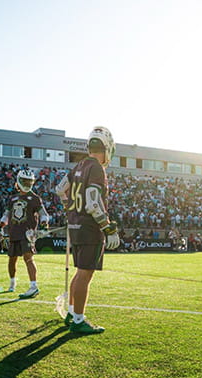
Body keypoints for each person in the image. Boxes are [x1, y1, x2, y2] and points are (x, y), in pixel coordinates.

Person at [56, 126, 119, 334]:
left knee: (80, 273)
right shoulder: (97, 168)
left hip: (75, 225)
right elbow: (93, 202)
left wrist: (69, 207)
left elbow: (60, 189)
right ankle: (78, 320)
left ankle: (73, 313)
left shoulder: (78, 166)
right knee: (85, 275)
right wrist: (107, 228)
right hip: (89, 228)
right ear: (107, 147)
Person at [0, 169, 50, 298]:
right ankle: (12, 283)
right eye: (25, 181)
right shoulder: (12, 198)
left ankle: (33, 286)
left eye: (29, 181)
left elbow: (44, 214)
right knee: (12, 259)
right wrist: (1, 223)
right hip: (14, 232)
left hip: (27, 233)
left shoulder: (35, 198)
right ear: (19, 181)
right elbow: (6, 214)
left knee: (28, 258)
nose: (27, 184)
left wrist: (44, 223)